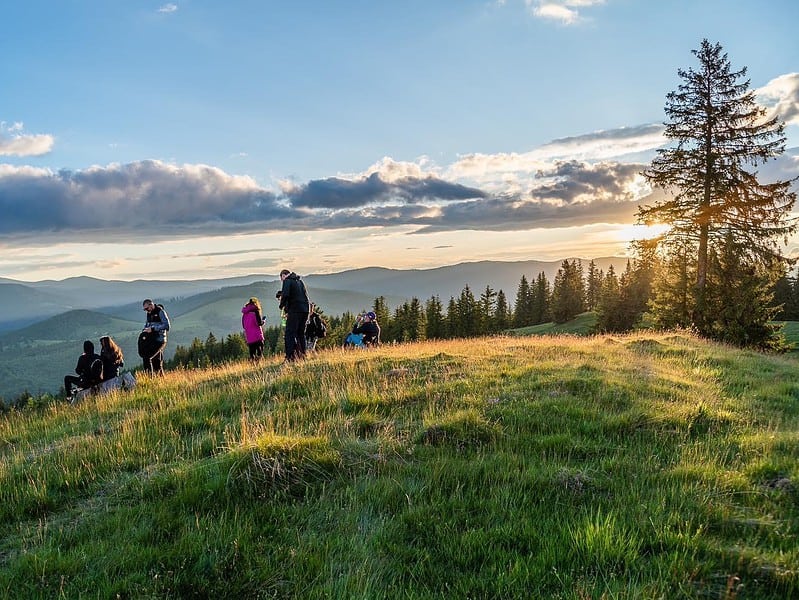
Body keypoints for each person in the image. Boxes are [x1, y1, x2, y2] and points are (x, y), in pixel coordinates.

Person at [278, 269, 310, 362]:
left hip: (295, 310)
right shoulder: (300, 281)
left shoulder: (287, 281)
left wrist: (282, 306)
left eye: (281, 278)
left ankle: (290, 357)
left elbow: (285, 295)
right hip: (305, 309)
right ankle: (302, 355)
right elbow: (305, 295)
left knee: (289, 333)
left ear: (284, 275)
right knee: (300, 333)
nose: (282, 281)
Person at [140, 298, 170, 375]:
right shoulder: (149, 313)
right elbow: (147, 324)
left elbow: (167, 326)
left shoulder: (161, 312)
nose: (146, 310)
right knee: (157, 363)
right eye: (145, 309)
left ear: (151, 305)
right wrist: (145, 330)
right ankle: (161, 382)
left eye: (147, 308)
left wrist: (153, 329)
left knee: (147, 358)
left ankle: (149, 379)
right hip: (152, 340)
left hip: (160, 340)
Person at [242, 296, 266, 361]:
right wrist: (263, 321)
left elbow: (244, 326)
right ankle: (259, 365)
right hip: (257, 336)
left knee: (252, 354)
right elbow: (259, 323)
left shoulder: (244, 314)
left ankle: (253, 366)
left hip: (249, 338)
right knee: (260, 352)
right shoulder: (255, 311)